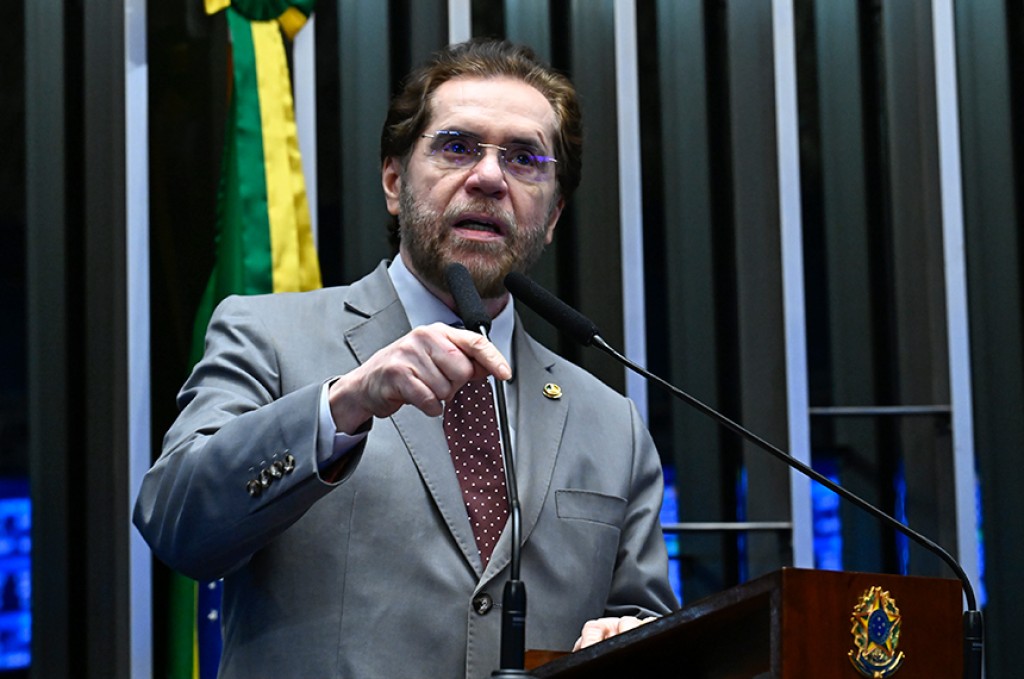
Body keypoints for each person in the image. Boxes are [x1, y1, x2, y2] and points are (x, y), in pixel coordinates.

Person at [134, 38, 678, 679]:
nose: (489, 178)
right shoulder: (269, 336)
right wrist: (342, 406)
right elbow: (178, 525)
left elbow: (646, 622)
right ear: (394, 182)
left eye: (524, 159)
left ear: (553, 213)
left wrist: (631, 636)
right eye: (457, 147)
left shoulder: (611, 423)